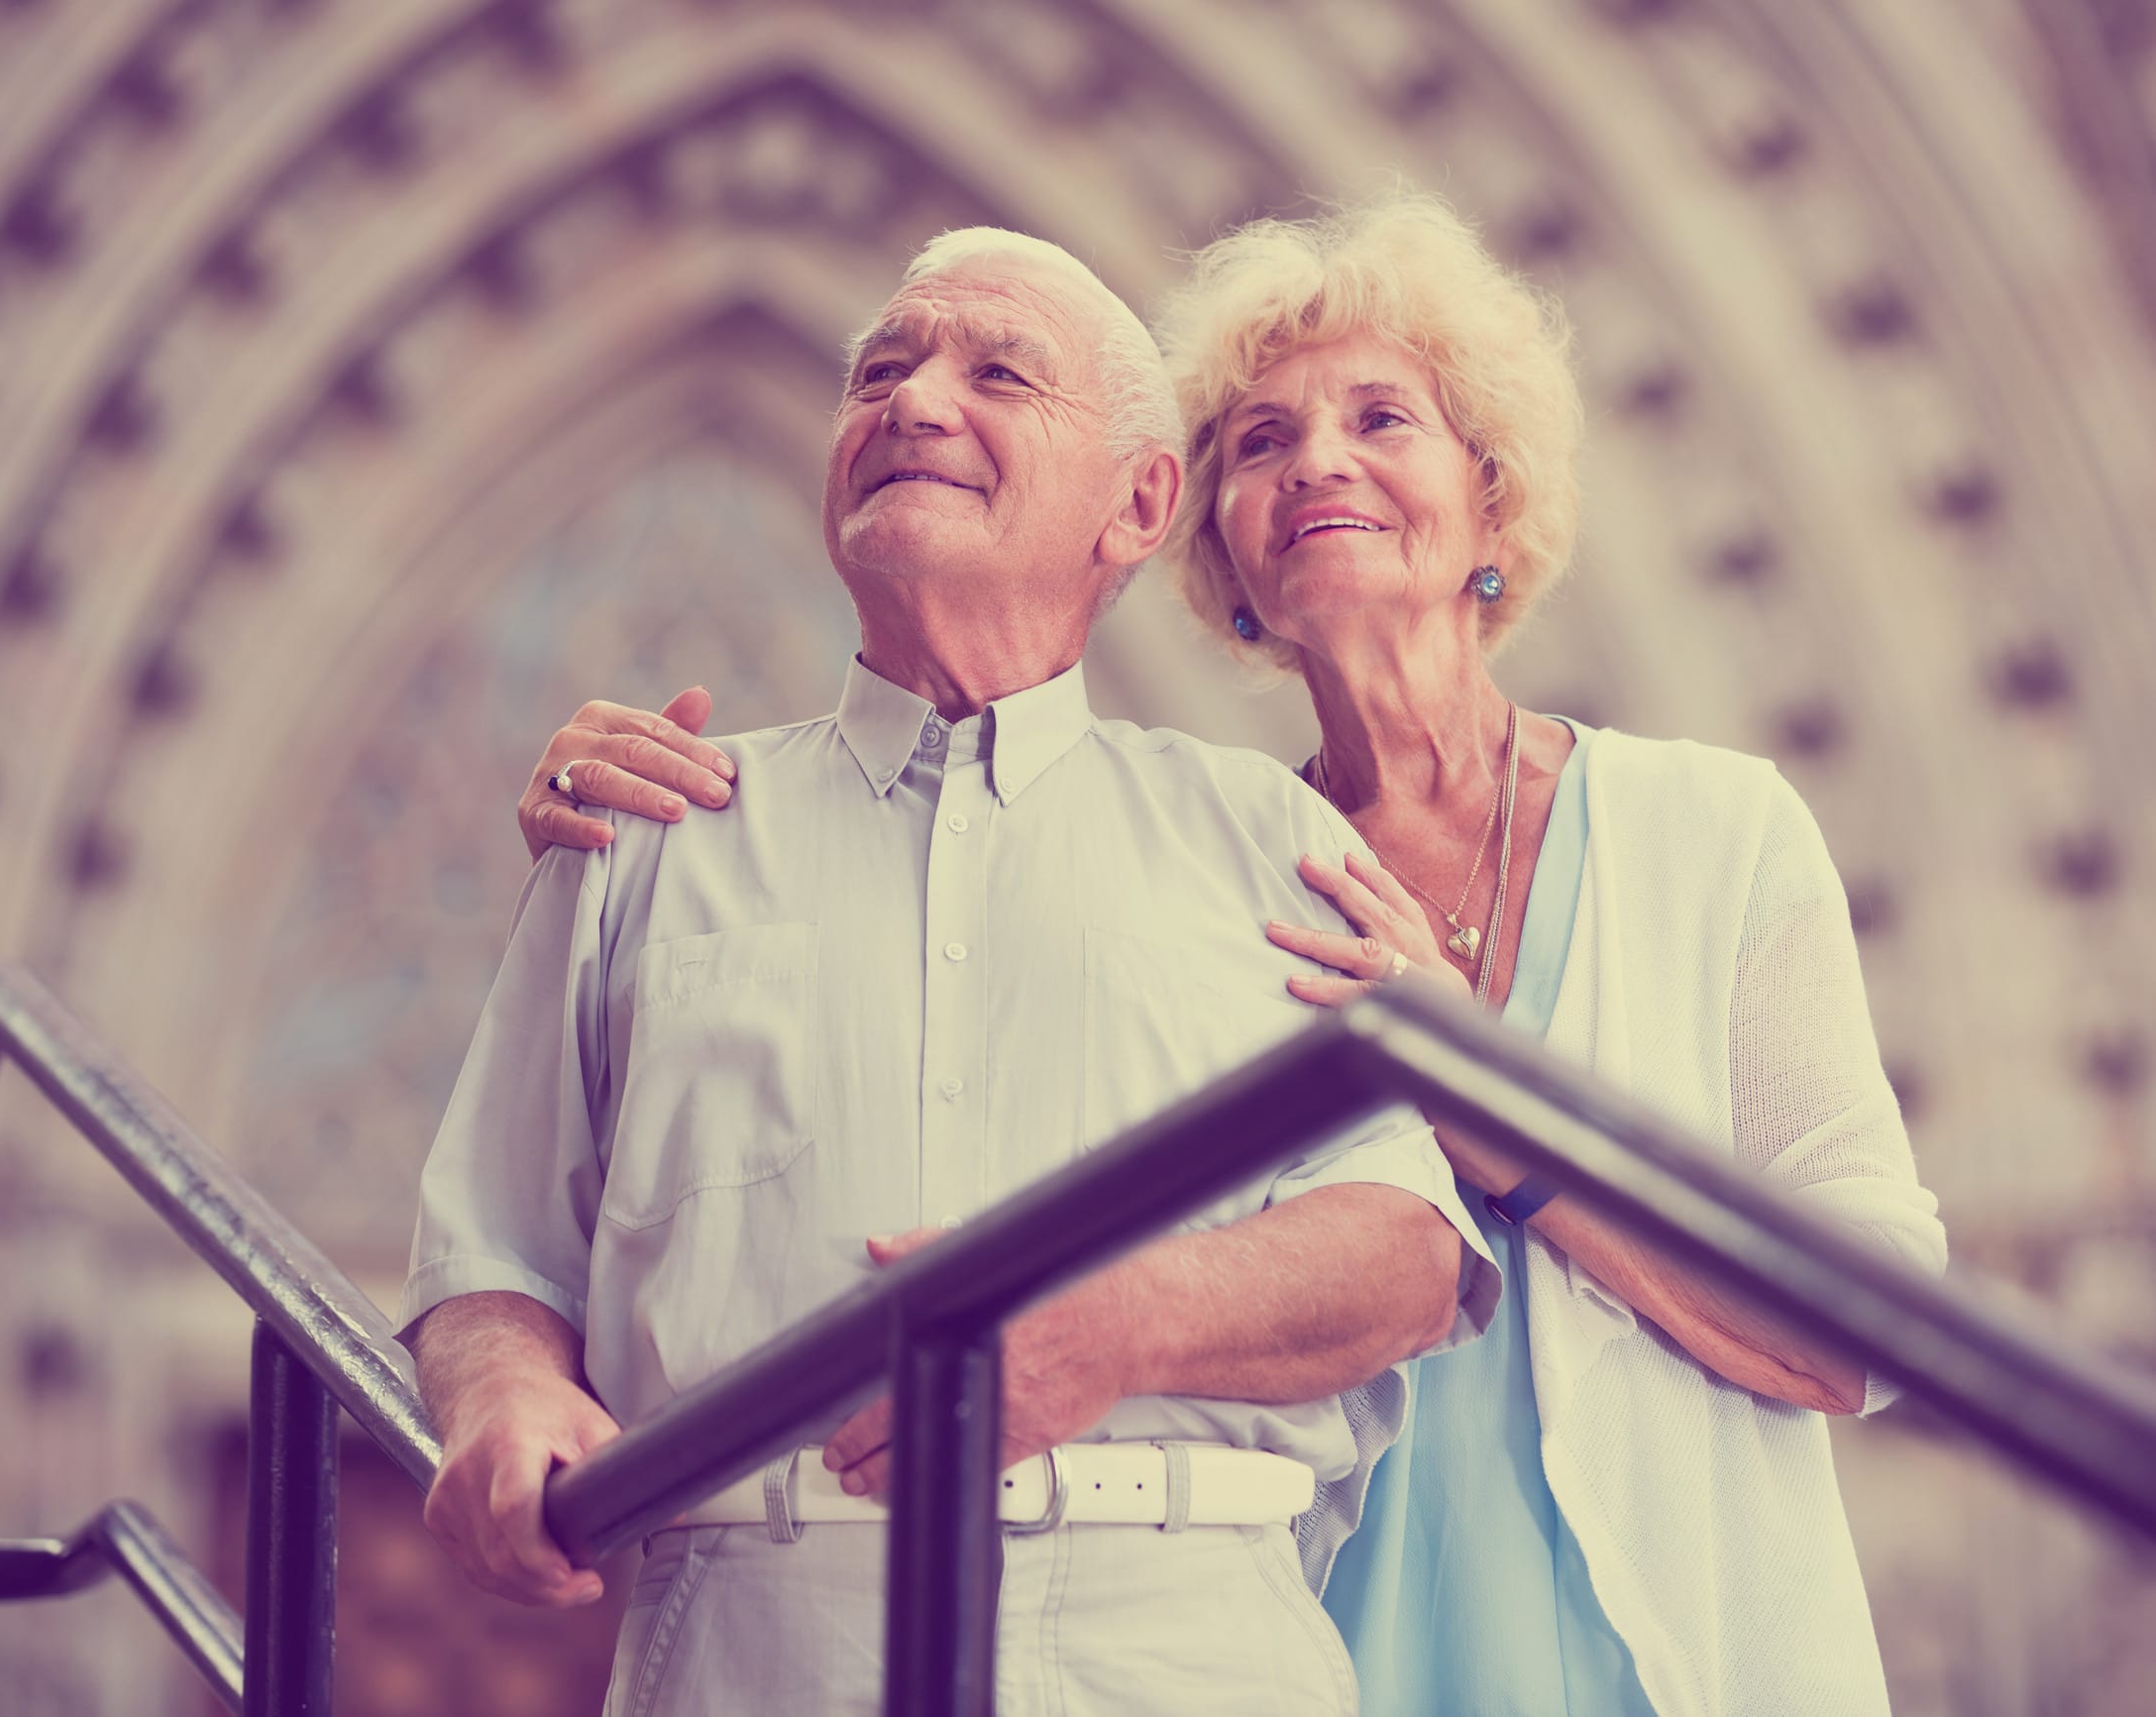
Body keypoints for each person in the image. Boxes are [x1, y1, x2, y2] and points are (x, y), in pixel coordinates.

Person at [522, 193, 1949, 1715]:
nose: (1315, 462)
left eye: (1379, 418)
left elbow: (1866, 1325)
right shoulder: (1222, 857)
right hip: (1308, 1634)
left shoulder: (1711, 831)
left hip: (1666, 1647)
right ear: (1203, 544)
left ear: (1490, 494)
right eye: (1258, 444)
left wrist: (1485, 1108)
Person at [400, 226, 1500, 1717]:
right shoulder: (645, 832)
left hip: (1180, 1651)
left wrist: (1125, 1319)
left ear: (1139, 502)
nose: (914, 403)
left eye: (997, 373)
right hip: (752, 1654)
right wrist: (504, 1395)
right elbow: (493, 1258)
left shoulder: (1263, 833)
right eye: (882, 371)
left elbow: (1406, 1253)